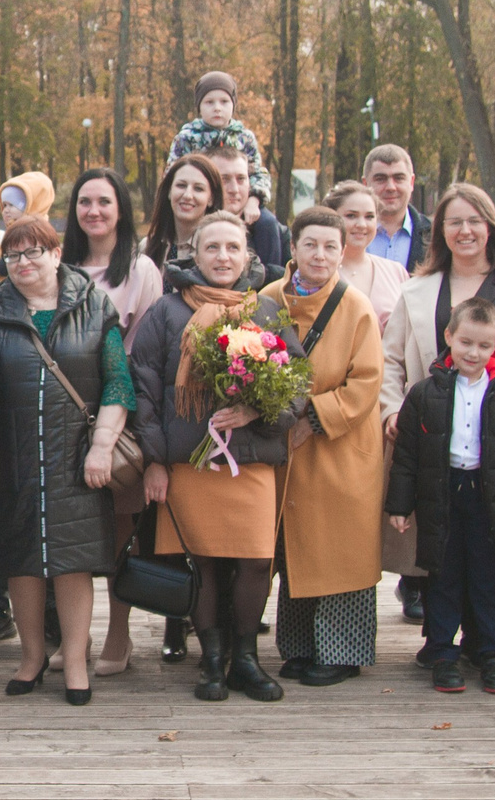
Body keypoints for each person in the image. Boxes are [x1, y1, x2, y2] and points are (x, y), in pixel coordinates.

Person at [381, 185, 495, 634]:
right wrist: (392, 409)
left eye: (474, 221)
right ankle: (440, 640)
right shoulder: (416, 290)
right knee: (441, 542)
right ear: (440, 230)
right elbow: (390, 360)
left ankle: (492, 639)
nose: (465, 230)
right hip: (435, 438)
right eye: (454, 222)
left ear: (490, 226)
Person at [131, 212, 290, 704]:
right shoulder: (166, 312)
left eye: (232, 248)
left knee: (257, 562)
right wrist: (155, 461)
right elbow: (145, 389)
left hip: (251, 463)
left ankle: (246, 658)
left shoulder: (264, 310)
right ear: (193, 255)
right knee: (203, 564)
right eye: (212, 248)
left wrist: (258, 409)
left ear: (248, 255)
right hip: (190, 465)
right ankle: (213, 660)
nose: (223, 257)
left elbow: (295, 385)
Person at [0, 215, 131, 705]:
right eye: (13, 255)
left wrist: (102, 446)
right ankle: (30, 658)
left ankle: (74, 660)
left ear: (55, 254)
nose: (22, 262)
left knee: (73, 560)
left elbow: (118, 381)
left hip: (77, 456)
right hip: (14, 454)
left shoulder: (94, 304)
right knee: (22, 559)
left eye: (33, 252)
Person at [385, 297, 495, 694]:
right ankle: (442, 652)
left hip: (487, 498)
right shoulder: (424, 394)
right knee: (443, 576)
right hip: (441, 496)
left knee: (487, 578)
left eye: (484, 345)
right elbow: (407, 456)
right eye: (466, 343)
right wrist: (400, 505)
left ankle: (490, 653)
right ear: (448, 337)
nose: (473, 353)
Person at [262, 208, 387, 687]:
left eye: (330, 246)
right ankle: (297, 647)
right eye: (310, 244)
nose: (320, 255)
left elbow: (366, 382)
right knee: (294, 549)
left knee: (340, 552)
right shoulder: (269, 299)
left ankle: (342, 652)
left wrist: (313, 418)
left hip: (340, 447)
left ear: (343, 251)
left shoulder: (355, 306)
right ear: (293, 248)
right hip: (283, 446)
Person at [62, 167, 164, 675]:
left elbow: (147, 350)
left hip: (121, 410)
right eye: (85, 202)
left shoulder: (140, 271)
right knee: (71, 528)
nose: (94, 211)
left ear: (121, 208)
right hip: (64, 409)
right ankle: (73, 637)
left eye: (104, 201)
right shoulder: (62, 266)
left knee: (121, 527)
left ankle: (118, 635)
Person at [323, 179, 411, 331]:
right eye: (351, 216)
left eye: (369, 217)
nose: (362, 225)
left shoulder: (396, 272)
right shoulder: (320, 272)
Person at [205, 145, 290, 278]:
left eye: (241, 179)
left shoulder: (278, 234)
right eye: (224, 179)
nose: (234, 189)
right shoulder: (190, 230)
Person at [168, 69, 265, 179]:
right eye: (209, 102)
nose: (217, 108)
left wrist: (254, 191)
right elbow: (172, 176)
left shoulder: (245, 138)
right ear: (199, 107)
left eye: (224, 101)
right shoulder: (187, 138)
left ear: (233, 105)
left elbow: (257, 174)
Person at [145, 155, 225, 275]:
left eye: (198, 189)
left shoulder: (220, 253)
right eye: (181, 185)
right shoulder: (147, 248)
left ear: (211, 199)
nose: (188, 195)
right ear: (169, 191)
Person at [361, 144, 429, 271]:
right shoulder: (343, 235)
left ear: (411, 182)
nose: (391, 187)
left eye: (398, 178)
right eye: (381, 179)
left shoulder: (435, 236)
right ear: (365, 184)